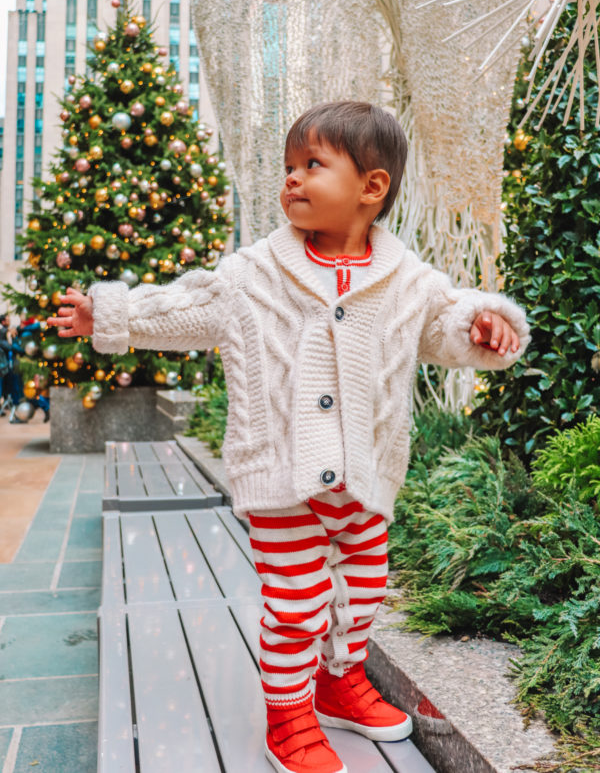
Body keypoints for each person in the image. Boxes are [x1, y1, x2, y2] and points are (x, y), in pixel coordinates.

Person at [49, 101, 529, 773]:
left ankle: (340, 683)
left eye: (312, 166)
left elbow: (447, 322)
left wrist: (484, 325)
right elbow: (187, 309)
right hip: (281, 476)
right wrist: (112, 310)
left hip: (366, 471)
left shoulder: (406, 280)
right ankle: (290, 716)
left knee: (363, 590)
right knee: (297, 603)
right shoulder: (254, 275)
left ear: (371, 188)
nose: (293, 180)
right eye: (288, 168)